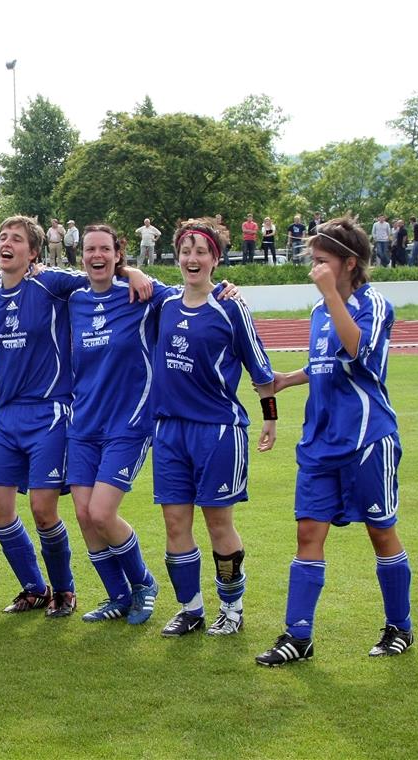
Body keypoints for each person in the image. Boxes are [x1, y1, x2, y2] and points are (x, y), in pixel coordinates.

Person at [256, 217, 413, 666]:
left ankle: (399, 626)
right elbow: (327, 361)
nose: (314, 268)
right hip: (320, 442)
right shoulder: (319, 311)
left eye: (322, 261)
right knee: (308, 531)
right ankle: (298, 636)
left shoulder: (373, 303)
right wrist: (291, 377)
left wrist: (329, 294)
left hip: (367, 438)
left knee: (381, 532)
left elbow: (359, 350)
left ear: (349, 263)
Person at [0, 216, 150, 617]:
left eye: (17, 239)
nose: (7, 243)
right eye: (2, 238)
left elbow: (97, 272)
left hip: (50, 411)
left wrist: (131, 267)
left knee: (44, 509)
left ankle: (65, 590)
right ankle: (34, 588)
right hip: (6, 414)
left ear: (34, 253)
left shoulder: (52, 284)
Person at [153, 218, 276, 638]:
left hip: (218, 431)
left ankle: (232, 608)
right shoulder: (165, 304)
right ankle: (190, 608)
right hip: (170, 430)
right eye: (185, 251)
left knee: (218, 522)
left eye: (201, 251)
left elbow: (260, 369)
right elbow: (121, 274)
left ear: (215, 259)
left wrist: (271, 418)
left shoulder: (231, 306)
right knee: (174, 523)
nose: (192, 258)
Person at [68, 224, 176, 625]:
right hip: (83, 423)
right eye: (90, 249)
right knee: (83, 514)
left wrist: (137, 274)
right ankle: (117, 595)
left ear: (117, 254)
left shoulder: (139, 295)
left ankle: (144, 583)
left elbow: (192, 296)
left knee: (101, 512)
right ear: (82, 256)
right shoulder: (74, 300)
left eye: (105, 249)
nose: (97, 255)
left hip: (128, 423)